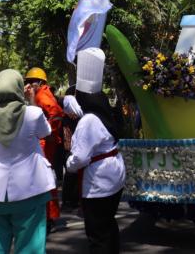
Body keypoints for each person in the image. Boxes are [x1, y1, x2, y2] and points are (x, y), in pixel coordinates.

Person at [0, 69, 56, 253]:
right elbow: (46, 132)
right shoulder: (34, 113)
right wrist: (31, 100)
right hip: (30, 190)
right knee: (30, 248)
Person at [66, 48, 125, 253]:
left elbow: (80, 158)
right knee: (108, 226)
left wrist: (68, 164)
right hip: (113, 176)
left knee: (97, 235)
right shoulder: (103, 111)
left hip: (99, 182)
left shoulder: (88, 120)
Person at [24, 66, 64, 226]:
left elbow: (56, 114)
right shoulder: (40, 94)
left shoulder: (42, 95)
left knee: (42, 179)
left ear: (40, 82)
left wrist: (49, 134)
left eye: (32, 81)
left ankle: (47, 216)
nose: (29, 84)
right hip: (45, 142)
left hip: (44, 144)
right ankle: (48, 215)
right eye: (27, 81)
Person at [61, 94, 83, 208]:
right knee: (70, 175)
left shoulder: (79, 117)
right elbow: (66, 137)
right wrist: (69, 151)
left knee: (75, 175)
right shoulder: (65, 118)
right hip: (69, 150)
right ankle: (68, 200)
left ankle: (74, 199)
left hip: (76, 148)